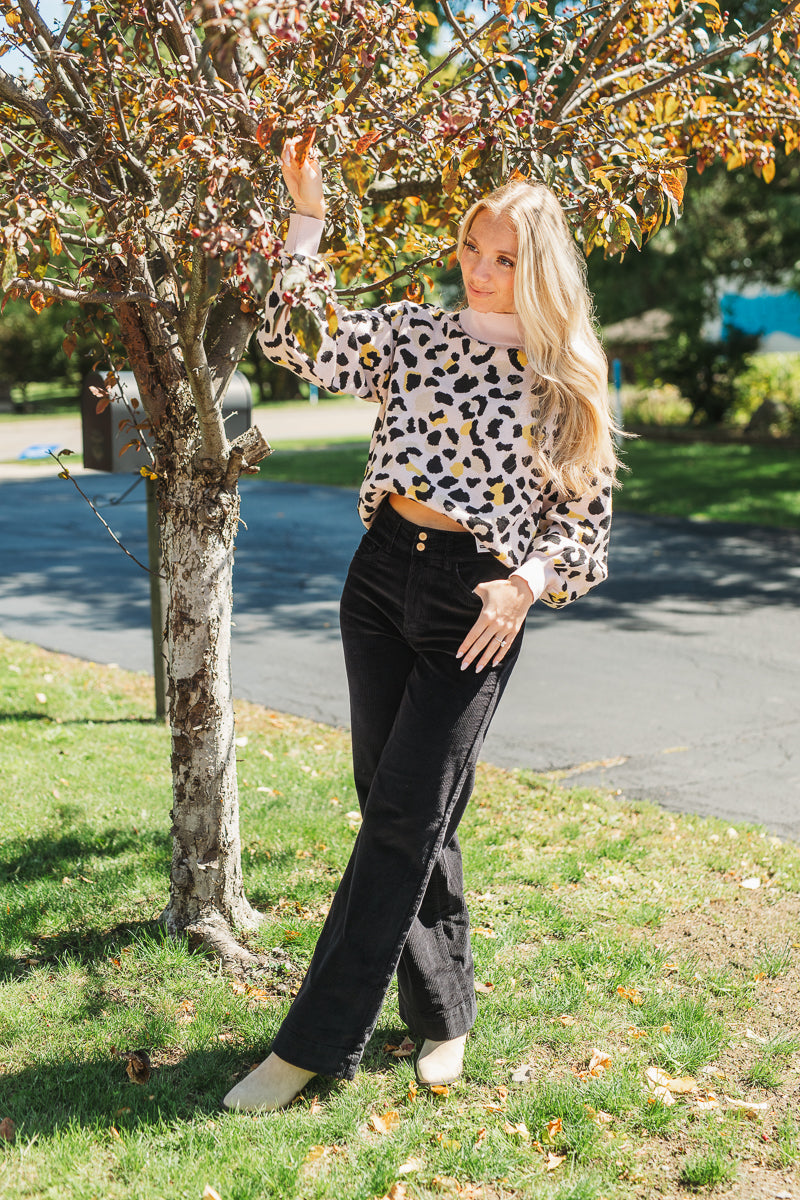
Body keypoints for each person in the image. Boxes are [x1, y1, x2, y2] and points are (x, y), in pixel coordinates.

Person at [223, 135, 617, 1112]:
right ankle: (445, 1013)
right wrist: (307, 215)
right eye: (472, 250)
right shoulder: (415, 333)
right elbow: (292, 338)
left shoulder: (564, 373)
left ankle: (308, 1048)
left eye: (503, 258)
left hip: (477, 605)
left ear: (540, 269)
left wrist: (523, 584)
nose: (479, 272)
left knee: (404, 814)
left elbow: (584, 525)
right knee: (398, 807)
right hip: (379, 577)